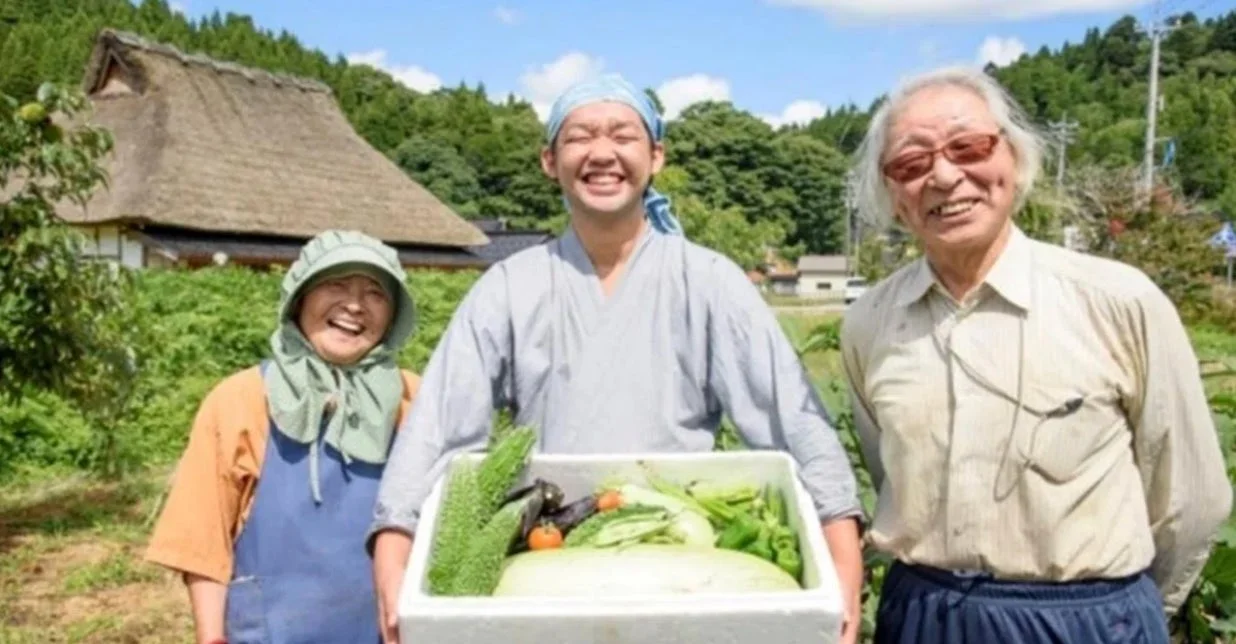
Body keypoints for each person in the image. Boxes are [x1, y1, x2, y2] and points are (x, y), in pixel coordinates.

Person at [369, 73, 866, 644]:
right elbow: (437, 428)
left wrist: (841, 573)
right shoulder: (509, 286)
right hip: (546, 557)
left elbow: (792, 421)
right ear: (549, 161)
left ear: (655, 157)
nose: (601, 152)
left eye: (622, 136)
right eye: (580, 136)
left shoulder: (708, 281)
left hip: (683, 558)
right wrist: (394, 551)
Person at [840, 65, 1232, 644]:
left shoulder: (1120, 301)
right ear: (893, 197)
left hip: (1093, 616)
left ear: (1015, 161)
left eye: (968, 146)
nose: (945, 176)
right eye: (911, 163)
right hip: (927, 613)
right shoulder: (869, 322)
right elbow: (887, 469)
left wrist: (1130, 611)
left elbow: (1190, 500)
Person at [144, 230, 423, 644]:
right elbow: (202, 539)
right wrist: (210, 637)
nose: (354, 305)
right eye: (336, 284)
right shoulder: (240, 399)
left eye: (376, 293)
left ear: (394, 317)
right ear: (300, 298)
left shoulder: (414, 399)